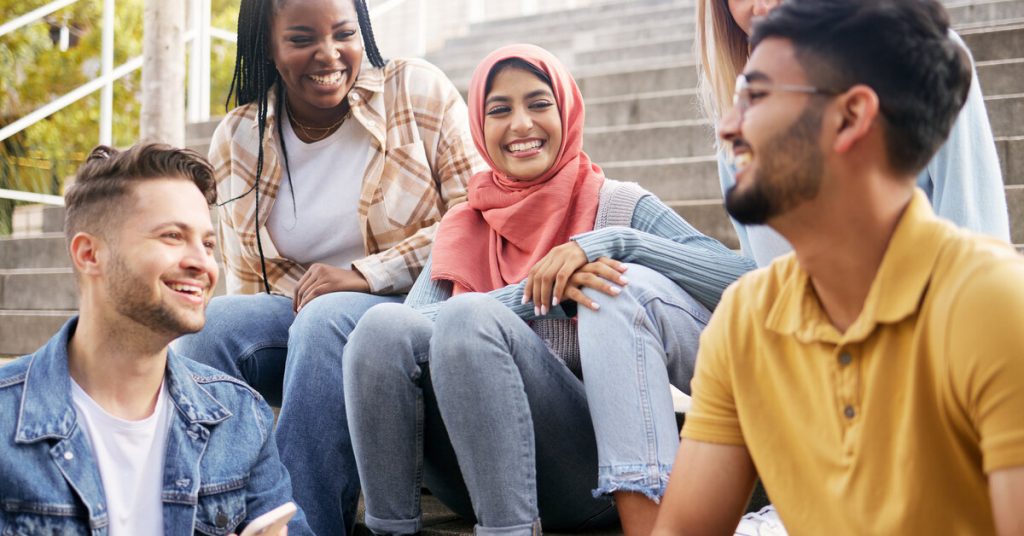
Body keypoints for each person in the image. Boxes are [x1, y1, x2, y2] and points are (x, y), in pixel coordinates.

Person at [342, 44, 757, 536]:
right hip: (466, 476)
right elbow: (411, 328)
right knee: (380, 325)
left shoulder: (616, 206)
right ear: (479, 124)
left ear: (567, 110)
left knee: (468, 316)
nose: (520, 125)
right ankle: (389, 529)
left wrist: (616, 243)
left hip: (579, 469)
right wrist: (541, 294)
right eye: (500, 110)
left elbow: (740, 277)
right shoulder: (464, 224)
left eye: (539, 104)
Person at [653, 1, 1024, 534]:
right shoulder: (743, 324)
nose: (729, 127)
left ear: (851, 116)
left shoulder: (992, 306)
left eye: (756, 96)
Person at [172, 0, 484, 533]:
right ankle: (213, 518)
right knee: (214, 327)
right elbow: (248, 282)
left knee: (326, 319)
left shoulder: (416, 92)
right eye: (301, 39)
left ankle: (306, 526)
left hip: (414, 317)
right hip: (306, 322)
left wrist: (367, 274)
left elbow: (478, 218)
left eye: (344, 33)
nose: (329, 54)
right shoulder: (240, 137)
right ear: (267, 48)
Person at [0, 144, 309, 535]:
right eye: (172, 236)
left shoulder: (240, 415)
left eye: (208, 244)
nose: (202, 263)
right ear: (90, 254)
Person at [696, 0, 1010, 267]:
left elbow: (977, 237)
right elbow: (762, 278)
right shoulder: (739, 118)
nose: (763, 7)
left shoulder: (926, 62)